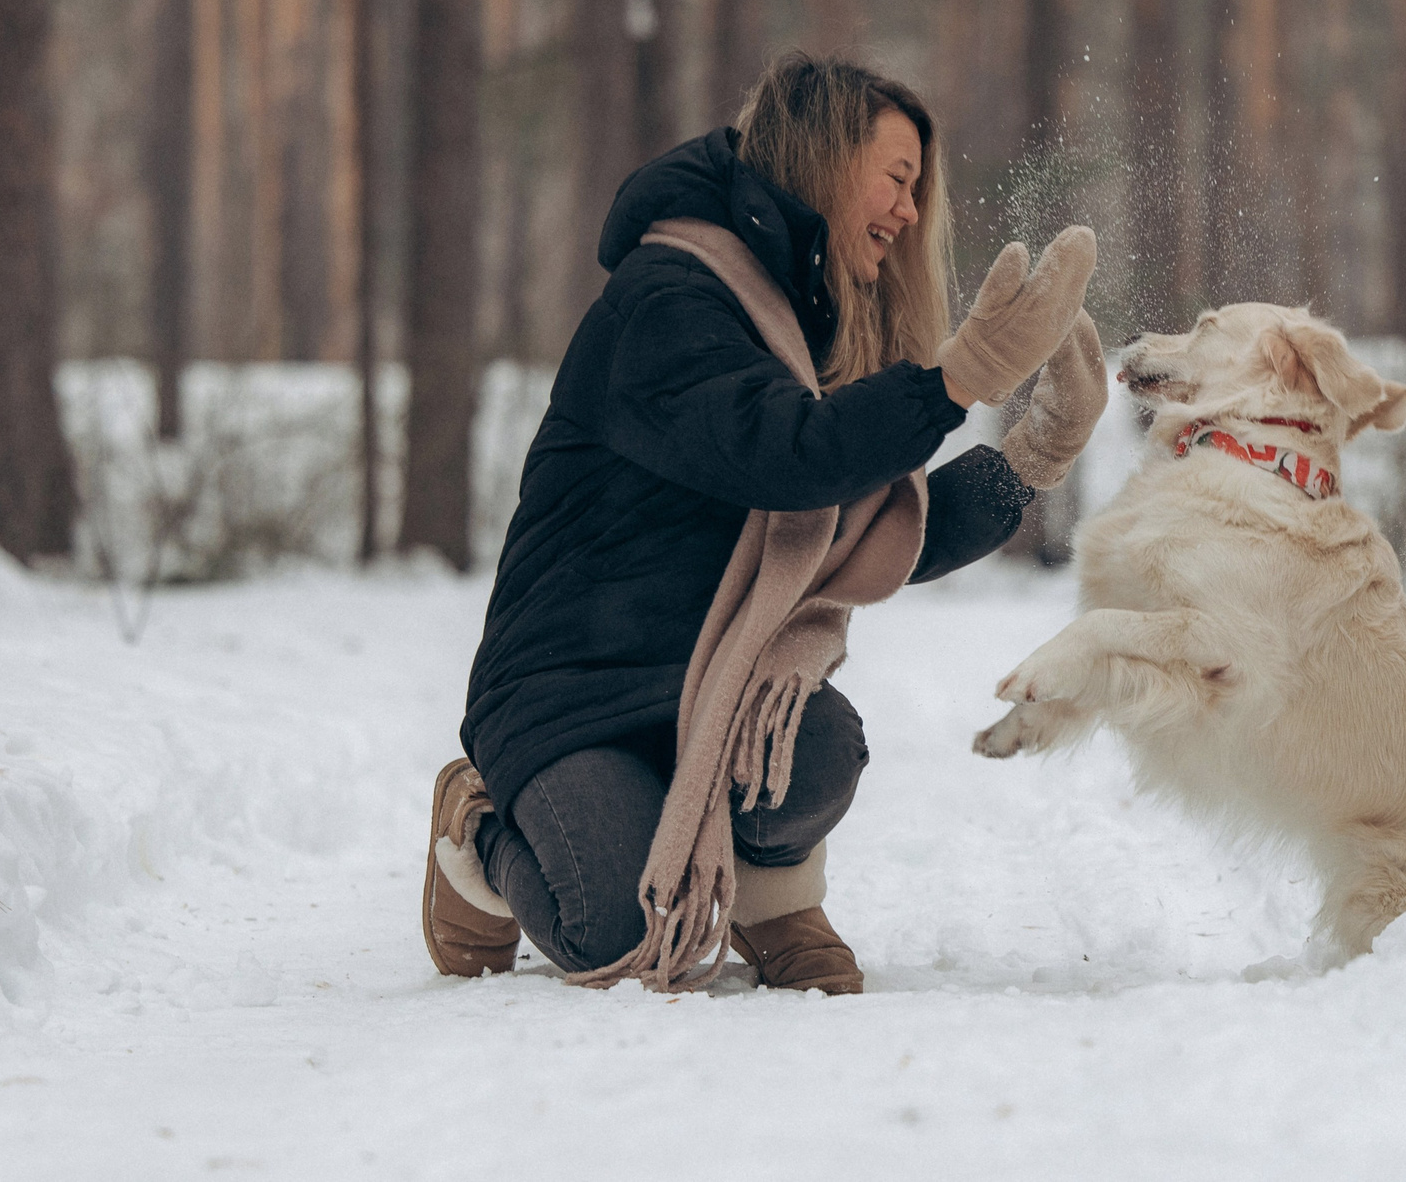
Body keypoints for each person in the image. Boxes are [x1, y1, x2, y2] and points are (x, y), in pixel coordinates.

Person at [421, 53, 1106, 994]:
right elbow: (786, 456)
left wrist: (1037, 455)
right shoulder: (673, 297)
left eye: (918, 190)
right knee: (612, 928)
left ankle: (770, 893)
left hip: (713, 678)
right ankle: (481, 827)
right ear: (824, 161)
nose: (910, 213)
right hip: (571, 683)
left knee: (818, 754)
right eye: (897, 179)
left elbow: (862, 541)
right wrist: (957, 380)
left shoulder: (806, 321)